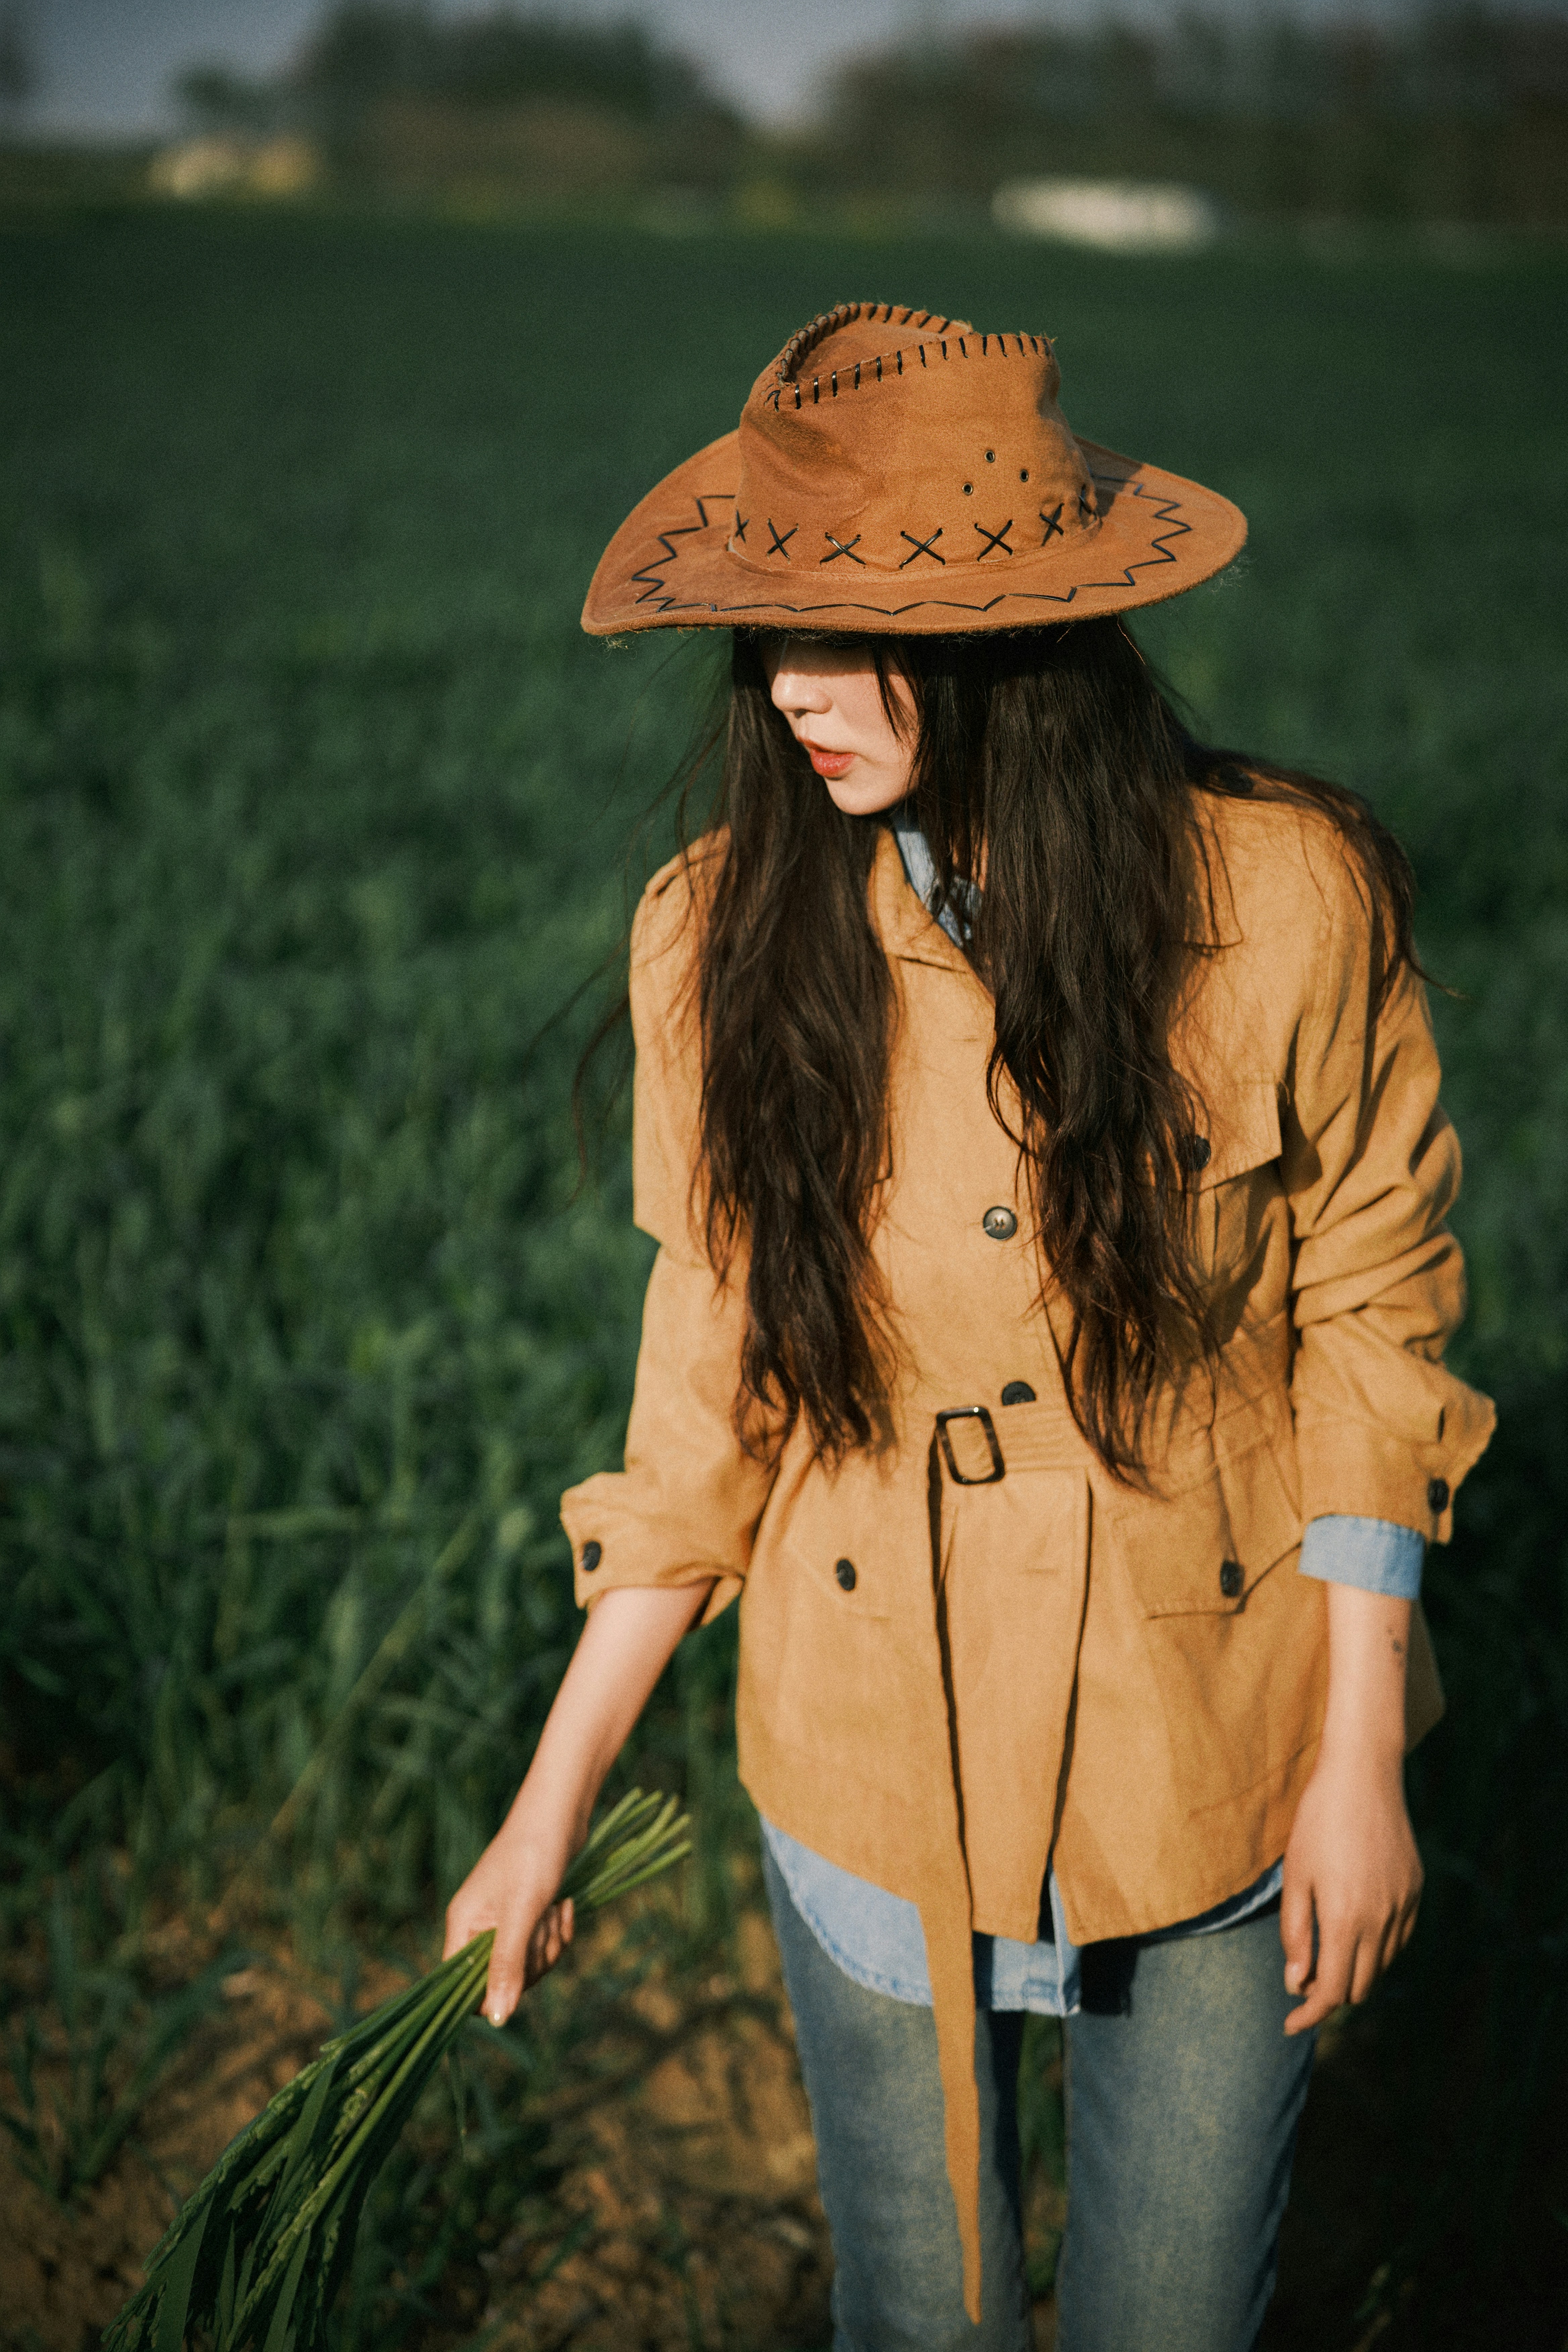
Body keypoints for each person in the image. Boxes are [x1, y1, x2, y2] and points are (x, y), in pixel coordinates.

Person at [444, 302, 1495, 2350]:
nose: (793, 692)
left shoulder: (1289, 902)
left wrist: (1361, 1753)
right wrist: (546, 1803)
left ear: (1021, 642)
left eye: (852, 636)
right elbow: (703, 1408)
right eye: (769, 631)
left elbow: (1377, 1309)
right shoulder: (718, 936)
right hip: (859, 1742)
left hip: (1226, 1747)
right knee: (921, 2323)